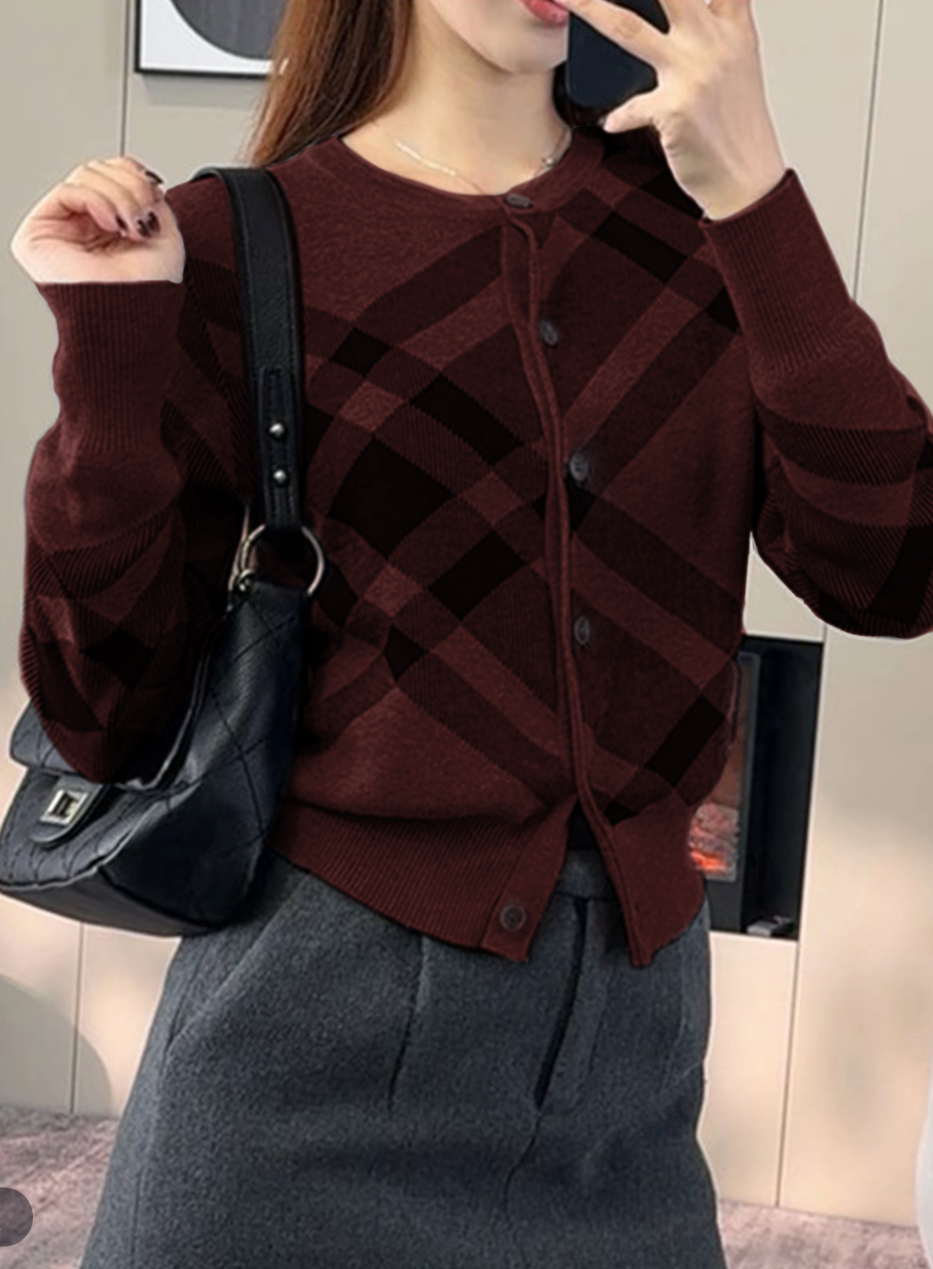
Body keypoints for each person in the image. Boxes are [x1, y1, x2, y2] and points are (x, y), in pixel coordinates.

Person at [15, 0, 932, 1265]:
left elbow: (894, 570)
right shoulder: (232, 240)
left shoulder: (703, 225)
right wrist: (109, 362)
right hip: (298, 1067)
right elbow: (100, 716)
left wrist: (756, 194)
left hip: (632, 1084)